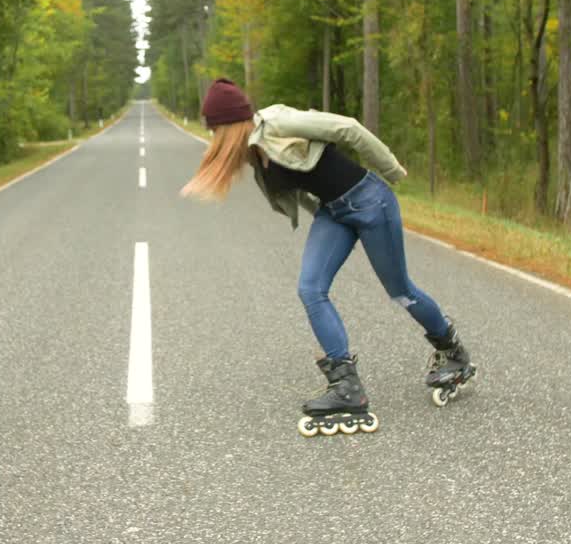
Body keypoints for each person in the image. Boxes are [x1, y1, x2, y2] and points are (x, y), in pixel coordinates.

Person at [180, 78, 474, 435]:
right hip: (334, 212)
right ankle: (346, 387)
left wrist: (392, 170)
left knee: (399, 290)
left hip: (370, 201)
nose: (214, 141)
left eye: (215, 131)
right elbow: (304, 187)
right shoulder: (254, 155)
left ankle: (453, 351)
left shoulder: (276, 122)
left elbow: (346, 128)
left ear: (228, 125)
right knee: (311, 288)